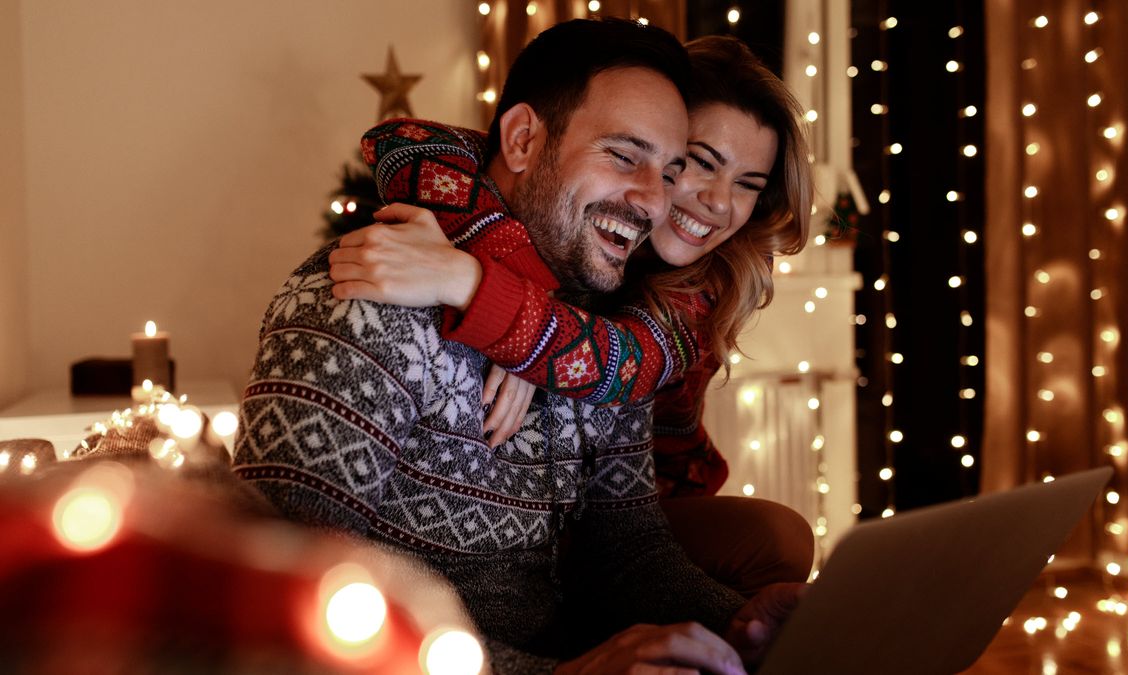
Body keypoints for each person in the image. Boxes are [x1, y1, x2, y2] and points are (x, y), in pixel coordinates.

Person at [234, 18, 801, 674]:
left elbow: (627, 549)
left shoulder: (600, 322)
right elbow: (288, 602)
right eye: (624, 155)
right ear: (524, 138)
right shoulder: (371, 292)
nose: (654, 199)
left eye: (669, 170)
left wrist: (740, 620)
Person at [332, 35, 815, 596]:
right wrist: (519, 276)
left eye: (749, 185)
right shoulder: (569, 216)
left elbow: (619, 365)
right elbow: (403, 141)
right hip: (535, 515)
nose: (720, 202)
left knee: (780, 540)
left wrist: (476, 287)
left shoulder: (704, 287)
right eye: (700, 164)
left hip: (650, 507)